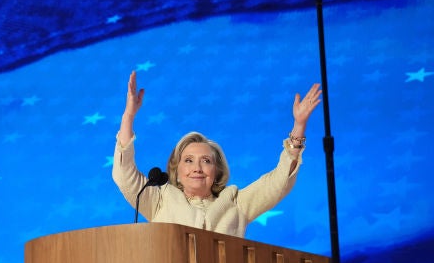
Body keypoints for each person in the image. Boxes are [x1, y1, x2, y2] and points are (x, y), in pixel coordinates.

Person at [112, 71, 323, 237]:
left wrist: (299, 125)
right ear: (176, 171)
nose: (197, 167)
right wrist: (128, 116)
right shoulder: (159, 199)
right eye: (188, 160)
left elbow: (278, 182)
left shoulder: (236, 202)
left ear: (216, 171)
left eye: (206, 161)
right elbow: (124, 174)